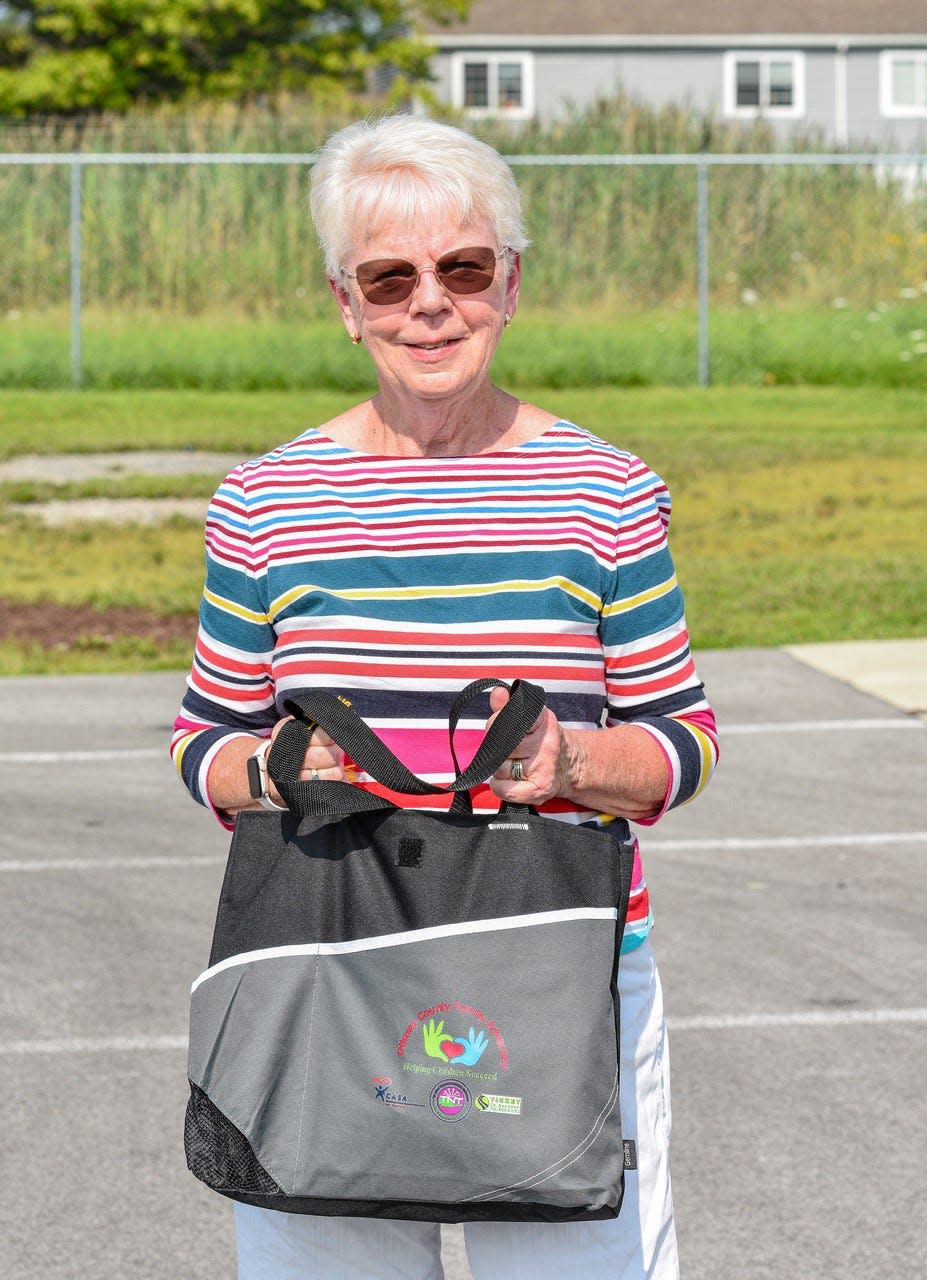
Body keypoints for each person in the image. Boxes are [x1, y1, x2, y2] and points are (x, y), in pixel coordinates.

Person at [172, 113, 718, 1280]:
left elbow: (688, 740)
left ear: (508, 285)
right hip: (329, 956)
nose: (431, 302)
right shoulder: (263, 502)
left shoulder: (607, 492)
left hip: (556, 965)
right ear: (346, 300)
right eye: (391, 276)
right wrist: (270, 770)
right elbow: (200, 738)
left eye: (463, 268)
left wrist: (573, 760)